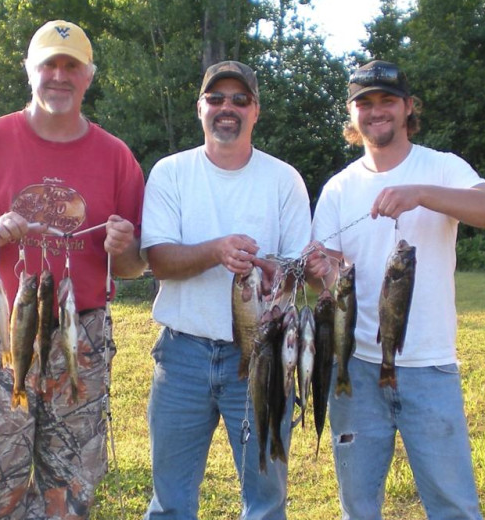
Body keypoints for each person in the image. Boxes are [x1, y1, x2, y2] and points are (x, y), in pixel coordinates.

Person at [0, 20, 146, 520]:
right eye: (48, 63)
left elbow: (134, 267)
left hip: (81, 340)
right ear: (29, 71)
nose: (59, 75)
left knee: (69, 494)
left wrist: (126, 244)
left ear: (88, 77)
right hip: (1, 339)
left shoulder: (118, 158)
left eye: (71, 65)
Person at [307, 60, 485, 520]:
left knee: (454, 506)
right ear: (352, 112)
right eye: (365, 102)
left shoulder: (441, 167)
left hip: (430, 366)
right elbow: (329, 271)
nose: (376, 111)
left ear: (407, 108)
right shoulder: (339, 187)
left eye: (387, 101)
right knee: (358, 507)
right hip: (355, 367)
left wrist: (420, 193)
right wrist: (321, 268)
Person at [140, 61, 313, 519]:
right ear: (200, 108)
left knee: (265, 499)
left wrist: (276, 272)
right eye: (216, 99)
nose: (227, 108)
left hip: (264, 355)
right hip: (182, 357)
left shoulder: (284, 179)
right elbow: (158, 259)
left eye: (240, 99)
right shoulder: (170, 173)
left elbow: (299, 269)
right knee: (170, 501)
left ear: (256, 111)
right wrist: (216, 250)